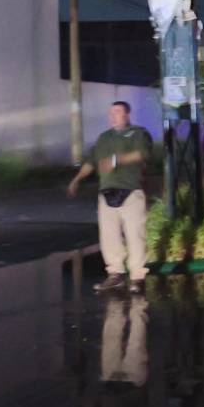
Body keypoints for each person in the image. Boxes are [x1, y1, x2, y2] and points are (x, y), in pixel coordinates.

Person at [68, 101, 154, 293]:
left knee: (135, 235)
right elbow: (92, 162)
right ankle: (115, 274)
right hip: (106, 193)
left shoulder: (138, 133)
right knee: (109, 236)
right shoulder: (103, 138)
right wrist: (77, 179)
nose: (113, 116)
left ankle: (137, 277)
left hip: (131, 191)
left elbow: (142, 153)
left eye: (117, 112)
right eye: (111, 113)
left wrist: (116, 160)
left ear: (127, 115)